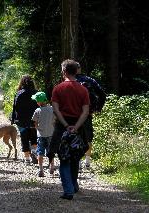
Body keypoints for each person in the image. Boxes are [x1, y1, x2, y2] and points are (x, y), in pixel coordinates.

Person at [49, 59, 90, 200]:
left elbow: (55, 109)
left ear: (64, 71)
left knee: (64, 159)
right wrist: (76, 127)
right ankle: (73, 185)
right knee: (75, 157)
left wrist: (66, 125)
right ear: (76, 71)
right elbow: (85, 111)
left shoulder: (58, 88)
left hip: (62, 128)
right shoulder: (83, 89)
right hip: (79, 129)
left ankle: (68, 190)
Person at [76, 62, 106, 168]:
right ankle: (87, 161)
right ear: (79, 69)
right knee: (88, 137)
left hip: (72, 114)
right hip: (87, 113)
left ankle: (77, 162)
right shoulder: (89, 80)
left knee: (76, 136)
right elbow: (102, 95)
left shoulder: (68, 82)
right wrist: (97, 108)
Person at [11, 75, 39, 165]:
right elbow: (39, 106)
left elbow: (15, 108)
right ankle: (34, 153)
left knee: (24, 139)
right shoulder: (36, 93)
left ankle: (27, 159)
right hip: (34, 120)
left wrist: (13, 119)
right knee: (34, 138)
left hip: (22, 121)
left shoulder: (19, 93)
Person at [31, 91, 55, 177]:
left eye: (37, 101)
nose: (36, 102)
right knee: (50, 151)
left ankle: (41, 169)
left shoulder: (38, 110)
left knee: (40, 152)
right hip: (50, 134)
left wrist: (37, 128)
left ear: (39, 102)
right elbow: (55, 120)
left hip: (41, 135)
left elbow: (35, 123)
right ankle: (52, 167)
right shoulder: (52, 109)